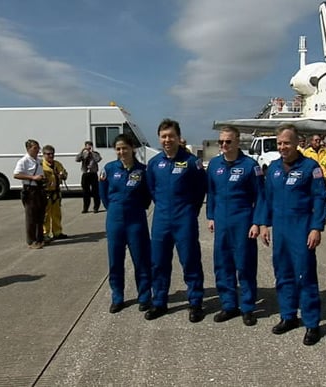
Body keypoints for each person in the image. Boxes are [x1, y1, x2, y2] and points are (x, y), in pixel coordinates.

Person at [260, 124, 326, 346]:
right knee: (283, 274)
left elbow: (320, 198)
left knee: (305, 276)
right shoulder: (274, 169)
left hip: (302, 229)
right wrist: (264, 224)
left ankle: (312, 323)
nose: (283, 147)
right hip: (281, 230)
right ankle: (288, 316)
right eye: (279, 143)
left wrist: (316, 227)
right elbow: (267, 199)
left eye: (287, 142)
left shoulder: (310, 167)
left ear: (298, 142)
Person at [144, 119, 207, 322]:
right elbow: (152, 190)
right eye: (164, 136)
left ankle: (196, 302)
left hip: (184, 218)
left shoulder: (191, 162)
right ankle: (159, 301)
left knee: (190, 260)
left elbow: (200, 189)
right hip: (161, 219)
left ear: (179, 137)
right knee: (159, 262)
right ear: (159, 138)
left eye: (171, 136)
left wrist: (190, 210)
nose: (167, 140)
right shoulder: (154, 164)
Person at [206, 126, 265, 326]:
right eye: (221, 142)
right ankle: (229, 305)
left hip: (243, 221)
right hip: (221, 221)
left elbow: (260, 196)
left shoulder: (250, 166)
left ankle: (247, 307)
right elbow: (211, 193)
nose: (224, 145)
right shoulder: (214, 165)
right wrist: (211, 216)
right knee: (223, 265)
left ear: (238, 142)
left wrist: (257, 222)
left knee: (245, 265)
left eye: (228, 141)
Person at [99, 133, 152, 314]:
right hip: (115, 220)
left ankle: (144, 296)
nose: (122, 152)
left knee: (141, 259)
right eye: (118, 149)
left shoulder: (143, 170)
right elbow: (104, 194)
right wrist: (114, 208)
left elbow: (147, 196)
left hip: (136, 220)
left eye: (125, 148)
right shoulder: (109, 169)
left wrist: (135, 207)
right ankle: (117, 297)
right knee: (115, 260)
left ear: (133, 149)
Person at [13, 139, 47, 249]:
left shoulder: (38, 160)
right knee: (31, 217)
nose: (38, 150)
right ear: (28, 149)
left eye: (38, 148)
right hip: (30, 190)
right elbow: (16, 175)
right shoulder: (23, 161)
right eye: (35, 148)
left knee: (40, 215)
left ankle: (40, 238)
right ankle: (31, 241)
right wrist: (33, 177)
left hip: (39, 189)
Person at [41, 145, 68, 242]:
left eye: (52, 154)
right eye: (48, 154)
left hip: (56, 193)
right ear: (43, 154)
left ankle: (57, 232)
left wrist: (63, 175)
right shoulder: (41, 165)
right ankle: (45, 234)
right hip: (46, 193)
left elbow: (65, 174)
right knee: (46, 215)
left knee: (57, 214)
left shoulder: (57, 164)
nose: (51, 156)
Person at [75, 141, 102, 213]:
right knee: (85, 192)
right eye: (87, 146)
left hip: (93, 173)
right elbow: (77, 159)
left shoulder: (95, 154)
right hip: (85, 174)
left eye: (90, 146)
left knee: (95, 192)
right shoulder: (83, 154)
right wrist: (82, 151)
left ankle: (96, 207)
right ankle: (85, 208)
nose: (88, 147)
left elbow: (98, 159)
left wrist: (92, 153)